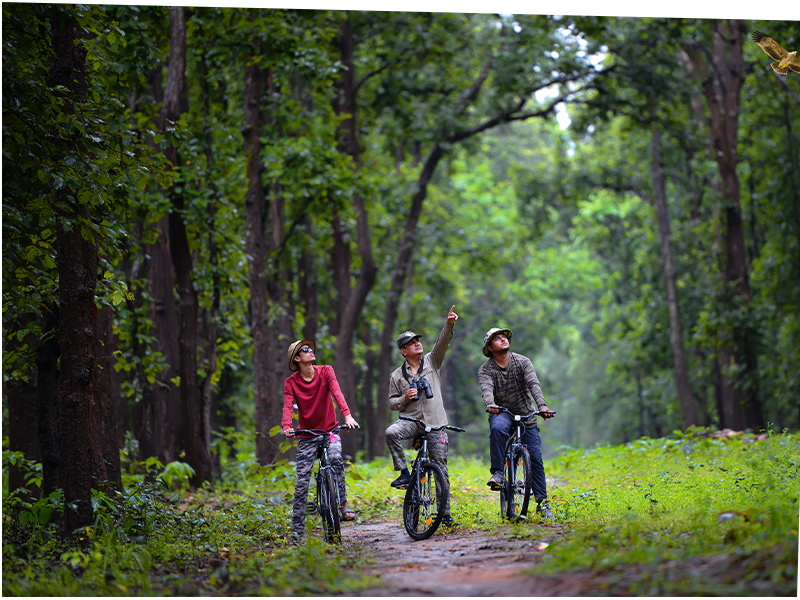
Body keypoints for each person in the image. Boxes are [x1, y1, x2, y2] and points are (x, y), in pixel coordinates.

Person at [385, 305, 459, 527]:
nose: (416, 343)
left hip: (436, 424)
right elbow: (391, 403)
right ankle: (405, 474)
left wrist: (449, 324)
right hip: (411, 422)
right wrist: (405, 399)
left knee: (440, 468)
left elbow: (442, 343)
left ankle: (444, 514)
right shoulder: (396, 376)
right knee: (391, 432)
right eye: (410, 343)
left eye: (417, 340)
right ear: (403, 351)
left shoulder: (432, 361)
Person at [282, 339, 360, 541]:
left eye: (310, 348)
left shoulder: (326, 371)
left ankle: (343, 505)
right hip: (307, 436)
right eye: (305, 350)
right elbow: (288, 407)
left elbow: (337, 393)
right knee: (302, 484)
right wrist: (286, 426)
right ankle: (297, 534)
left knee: (336, 458)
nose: (310, 351)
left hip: (330, 430)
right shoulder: (291, 382)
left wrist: (348, 415)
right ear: (297, 358)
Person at [478, 327, 556, 518]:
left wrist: (543, 406)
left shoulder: (522, 362)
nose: (503, 339)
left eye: (504, 337)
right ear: (490, 347)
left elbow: (533, 384)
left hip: (525, 413)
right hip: (501, 412)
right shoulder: (486, 369)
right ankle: (498, 473)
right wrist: (491, 404)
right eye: (497, 338)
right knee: (497, 428)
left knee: (536, 458)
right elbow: (486, 389)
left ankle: (542, 504)